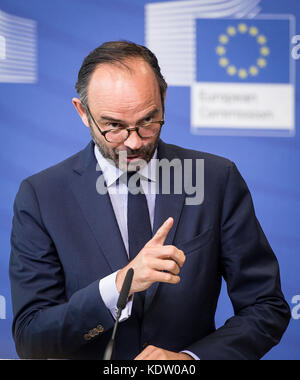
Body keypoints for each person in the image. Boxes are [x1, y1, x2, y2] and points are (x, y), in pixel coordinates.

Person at [9, 41, 290, 360]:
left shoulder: (216, 179)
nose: (133, 142)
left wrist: (189, 361)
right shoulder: (42, 196)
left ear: (163, 99)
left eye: (147, 121)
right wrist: (119, 286)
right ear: (83, 113)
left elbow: (266, 307)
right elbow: (32, 341)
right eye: (114, 127)